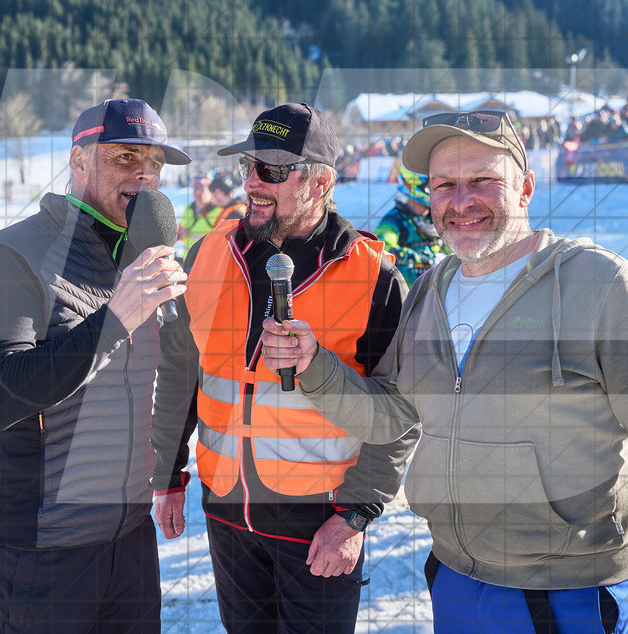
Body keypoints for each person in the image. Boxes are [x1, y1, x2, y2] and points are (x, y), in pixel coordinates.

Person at [261, 110, 628, 632]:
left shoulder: (598, 284)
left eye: (482, 180)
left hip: (569, 589)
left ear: (525, 187)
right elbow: (393, 416)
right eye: (444, 184)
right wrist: (314, 365)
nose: (461, 200)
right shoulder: (429, 292)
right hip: (456, 577)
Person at [152, 103, 420, 632]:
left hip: (319, 521)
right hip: (227, 512)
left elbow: (401, 414)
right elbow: (182, 372)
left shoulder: (375, 277)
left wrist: (355, 517)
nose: (252, 181)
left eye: (272, 170)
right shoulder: (208, 255)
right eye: (248, 167)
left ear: (320, 183)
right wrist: (168, 471)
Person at [0, 98, 191, 633]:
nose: (144, 175)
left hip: (129, 537)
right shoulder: (13, 255)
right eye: (124, 158)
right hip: (40, 546)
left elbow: (163, 378)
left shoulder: (141, 259)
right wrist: (115, 321)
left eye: (154, 163)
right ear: (79, 160)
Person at [375, 169, 448, 286]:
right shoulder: (394, 219)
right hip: (407, 290)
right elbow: (382, 245)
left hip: (437, 287)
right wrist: (405, 255)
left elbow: (451, 246)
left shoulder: (437, 219)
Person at [177, 174, 223, 253]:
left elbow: (222, 241)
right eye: (195, 189)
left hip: (208, 262)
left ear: (210, 191)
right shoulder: (188, 208)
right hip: (188, 262)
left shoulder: (219, 211)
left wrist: (192, 235)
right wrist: (181, 234)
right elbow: (179, 232)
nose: (198, 192)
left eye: (202, 189)